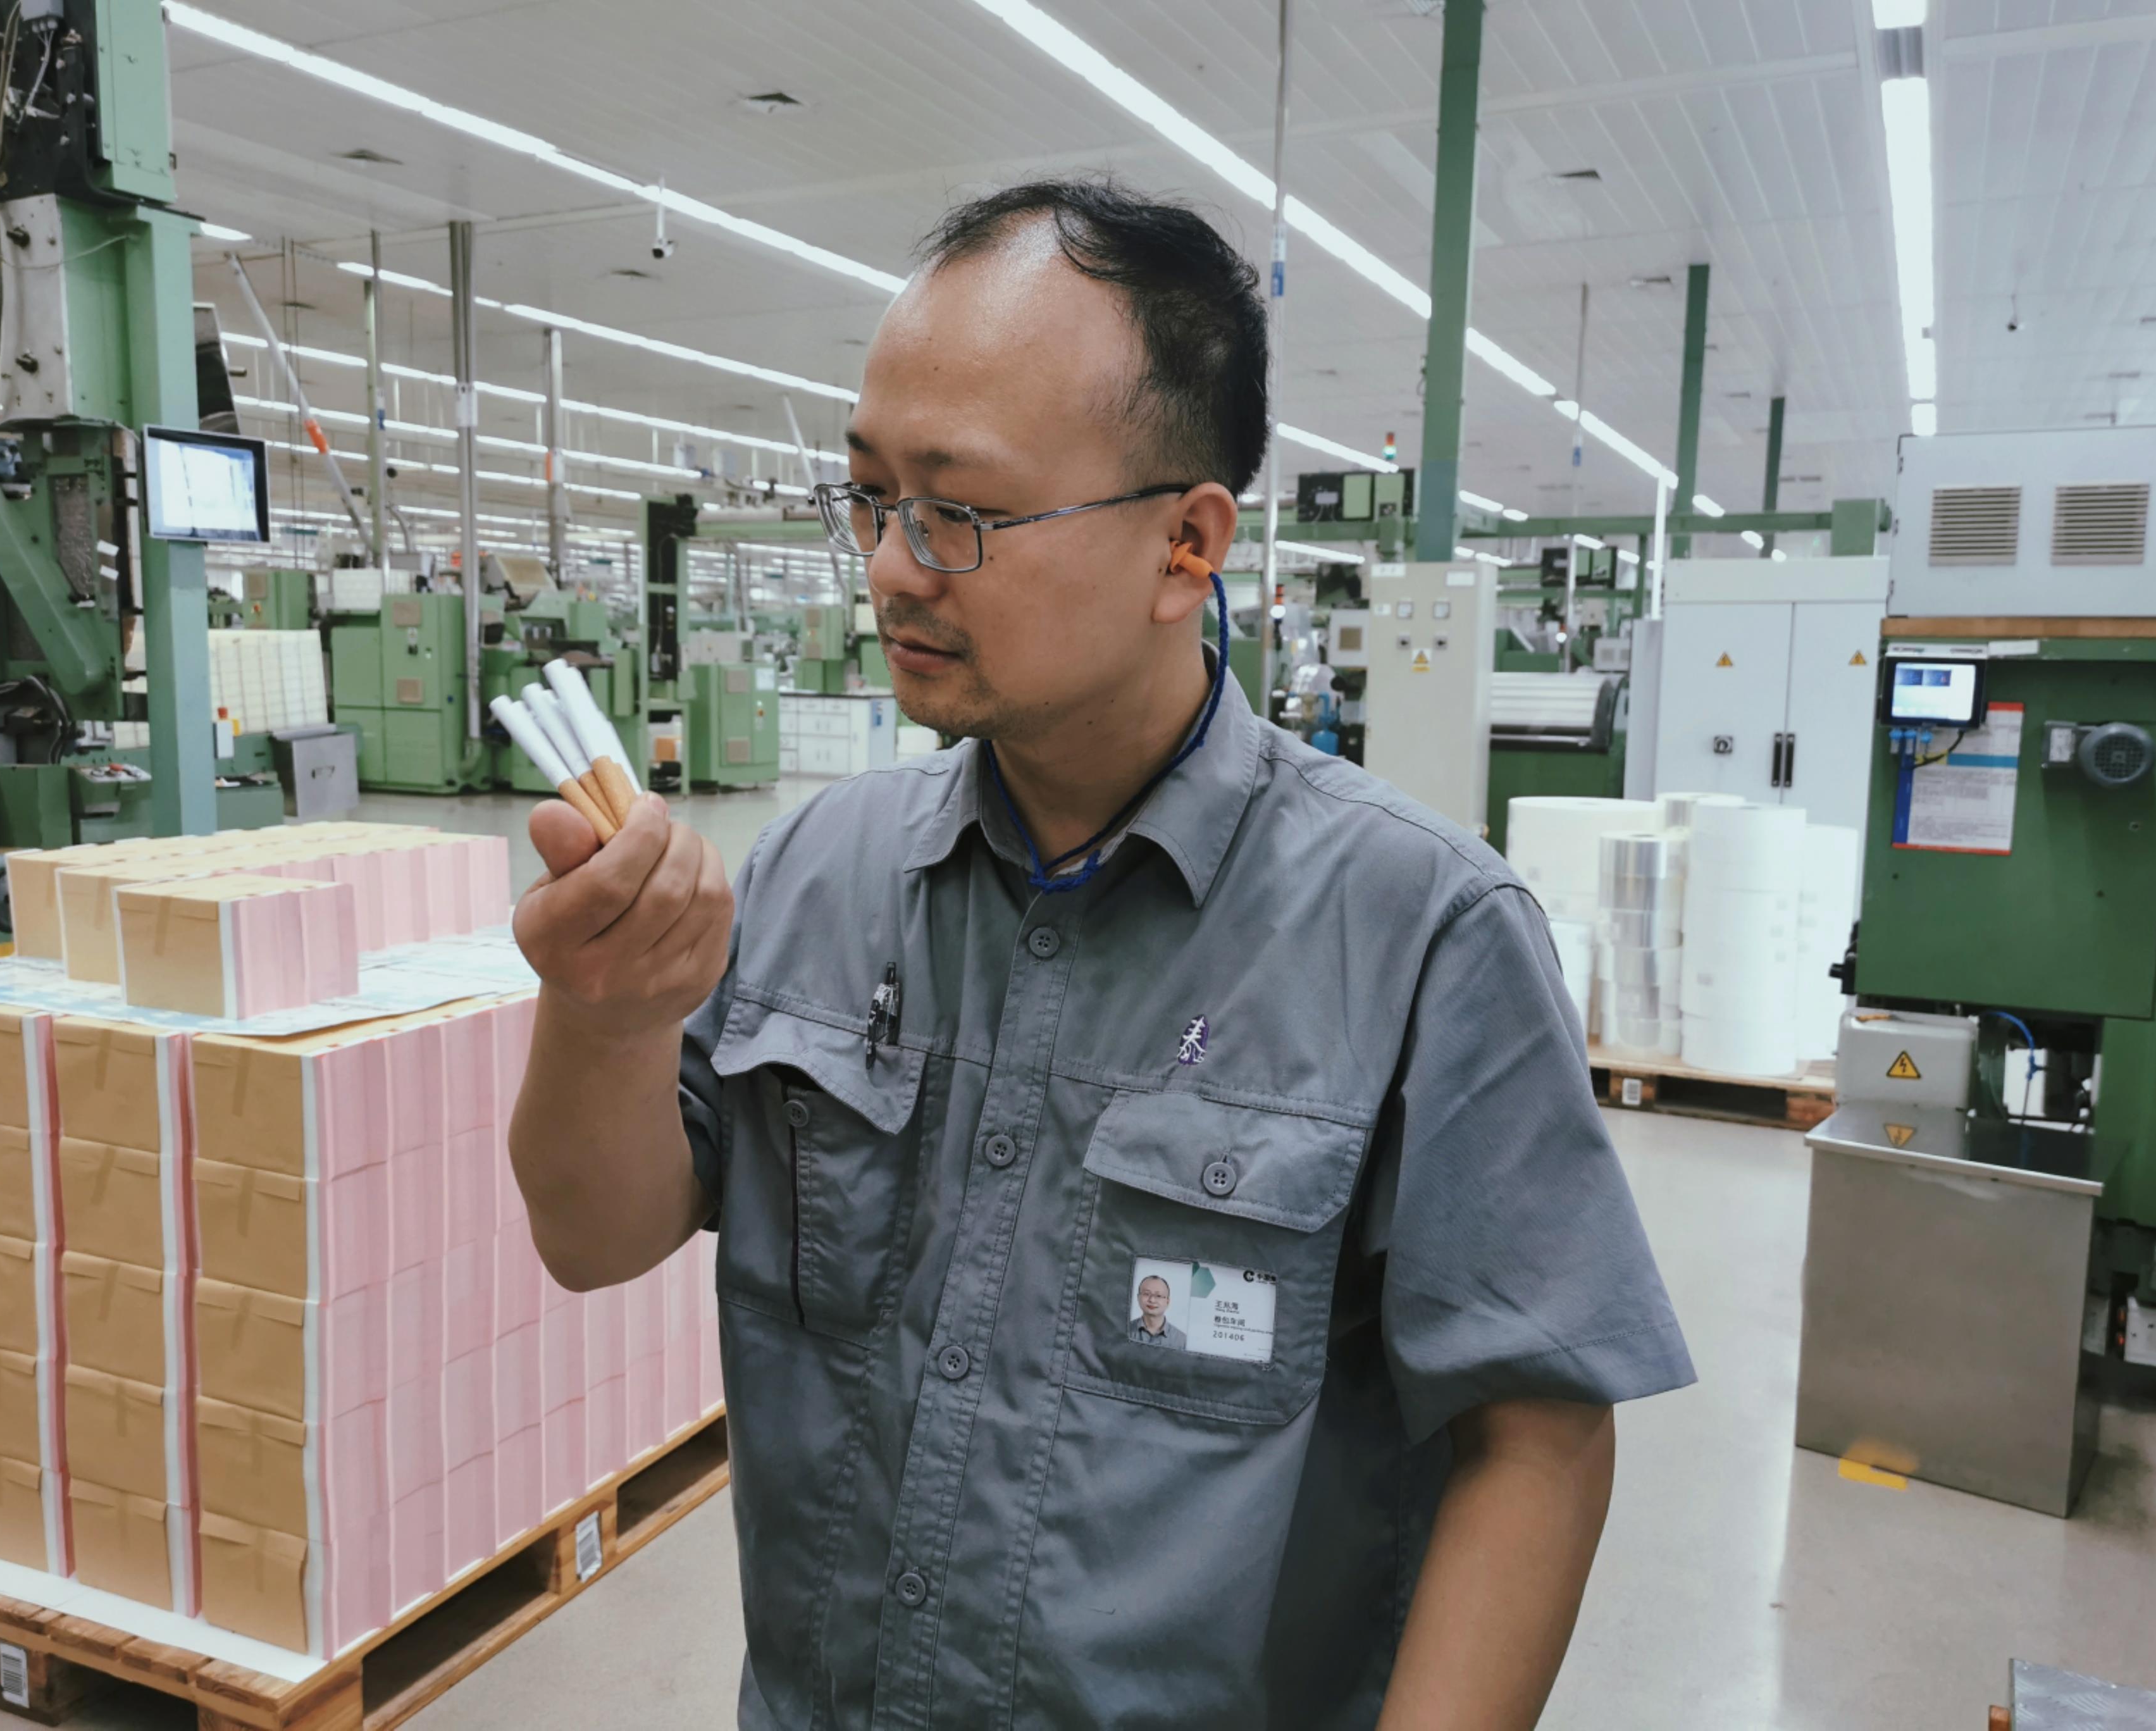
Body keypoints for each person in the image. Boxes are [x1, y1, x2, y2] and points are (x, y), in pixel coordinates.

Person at [507, 178, 1693, 1731]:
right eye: (868, 495)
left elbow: (1536, 1437)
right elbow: (594, 1236)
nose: (894, 565)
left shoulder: (1420, 933)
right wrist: (604, 1018)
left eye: (961, 513)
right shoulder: (817, 874)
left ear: (1185, 545)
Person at [1129, 1273, 1185, 1349]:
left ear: (1167, 1302)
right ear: (1138, 1298)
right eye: (1147, 1294)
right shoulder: (1125, 1331)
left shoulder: (1181, 1340)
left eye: (1158, 1296)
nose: (1152, 1300)